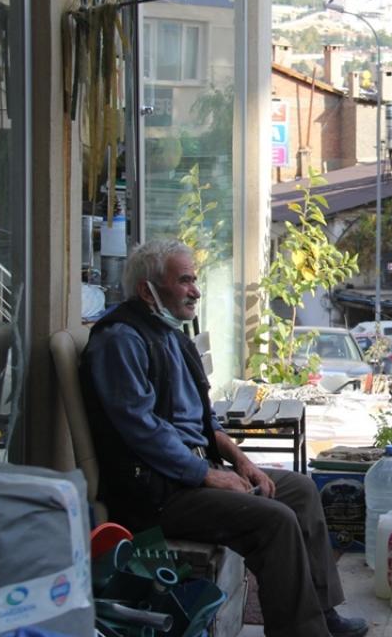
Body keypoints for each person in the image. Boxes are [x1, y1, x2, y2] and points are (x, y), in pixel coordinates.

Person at [80, 239, 368, 637]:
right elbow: (142, 430)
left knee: (299, 490)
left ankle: (322, 614)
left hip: (190, 474)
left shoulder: (172, 336)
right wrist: (207, 474)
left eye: (195, 280)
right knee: (275, 521)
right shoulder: (121, 340)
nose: (195, 291)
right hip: (155, 494)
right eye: (184, 281)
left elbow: (205, 420)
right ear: (148, 290)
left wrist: (241, 461)